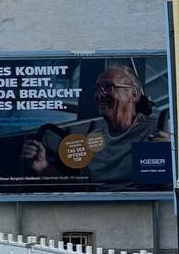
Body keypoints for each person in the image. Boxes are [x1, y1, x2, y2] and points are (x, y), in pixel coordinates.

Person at [21, 64, 170, 188]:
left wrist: (173, 159)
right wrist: (44, 168)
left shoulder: (157, 132)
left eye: (108, 87)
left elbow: (160, 188)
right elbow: (81, 189)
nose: (100, 95)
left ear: (133, 94)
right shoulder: (93, 140)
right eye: (97, 89)